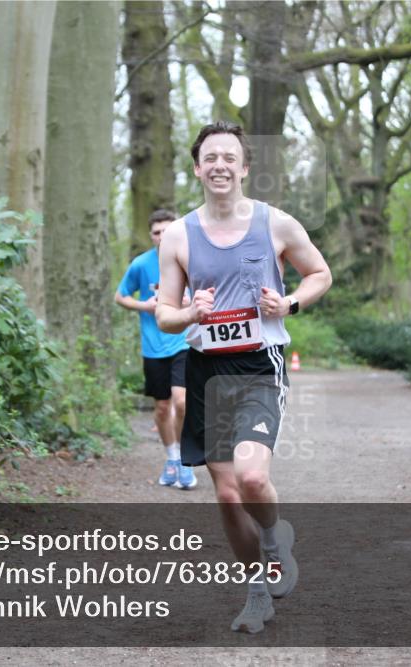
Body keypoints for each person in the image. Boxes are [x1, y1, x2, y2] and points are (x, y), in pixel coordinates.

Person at [155, 121, 332, 633]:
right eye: (210, 157)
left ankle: (277, 543)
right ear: (197, 167)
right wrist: (189, 315)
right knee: (228, 494)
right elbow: (164, 311)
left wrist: (291, 302)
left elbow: (320, 273)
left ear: (244, 167)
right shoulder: (179, 236)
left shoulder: (276, 223)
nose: (220, 166)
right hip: (207, 370)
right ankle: (257, 592)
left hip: (259, 364)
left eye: (229, 157)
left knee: (253, 478)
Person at [115, 209, 197, 490]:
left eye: (167, 230)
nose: (162, 236)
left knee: (182, 402)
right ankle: (172, 458)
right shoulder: (141, 264)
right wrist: (144, 306)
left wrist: (191, 303)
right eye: (156, 232)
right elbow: (120, 296)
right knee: (162, 408)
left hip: (183, 342)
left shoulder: (190, 259)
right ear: (150, 236)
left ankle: (186, 461)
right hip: (153, 345)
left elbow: (210, 293)